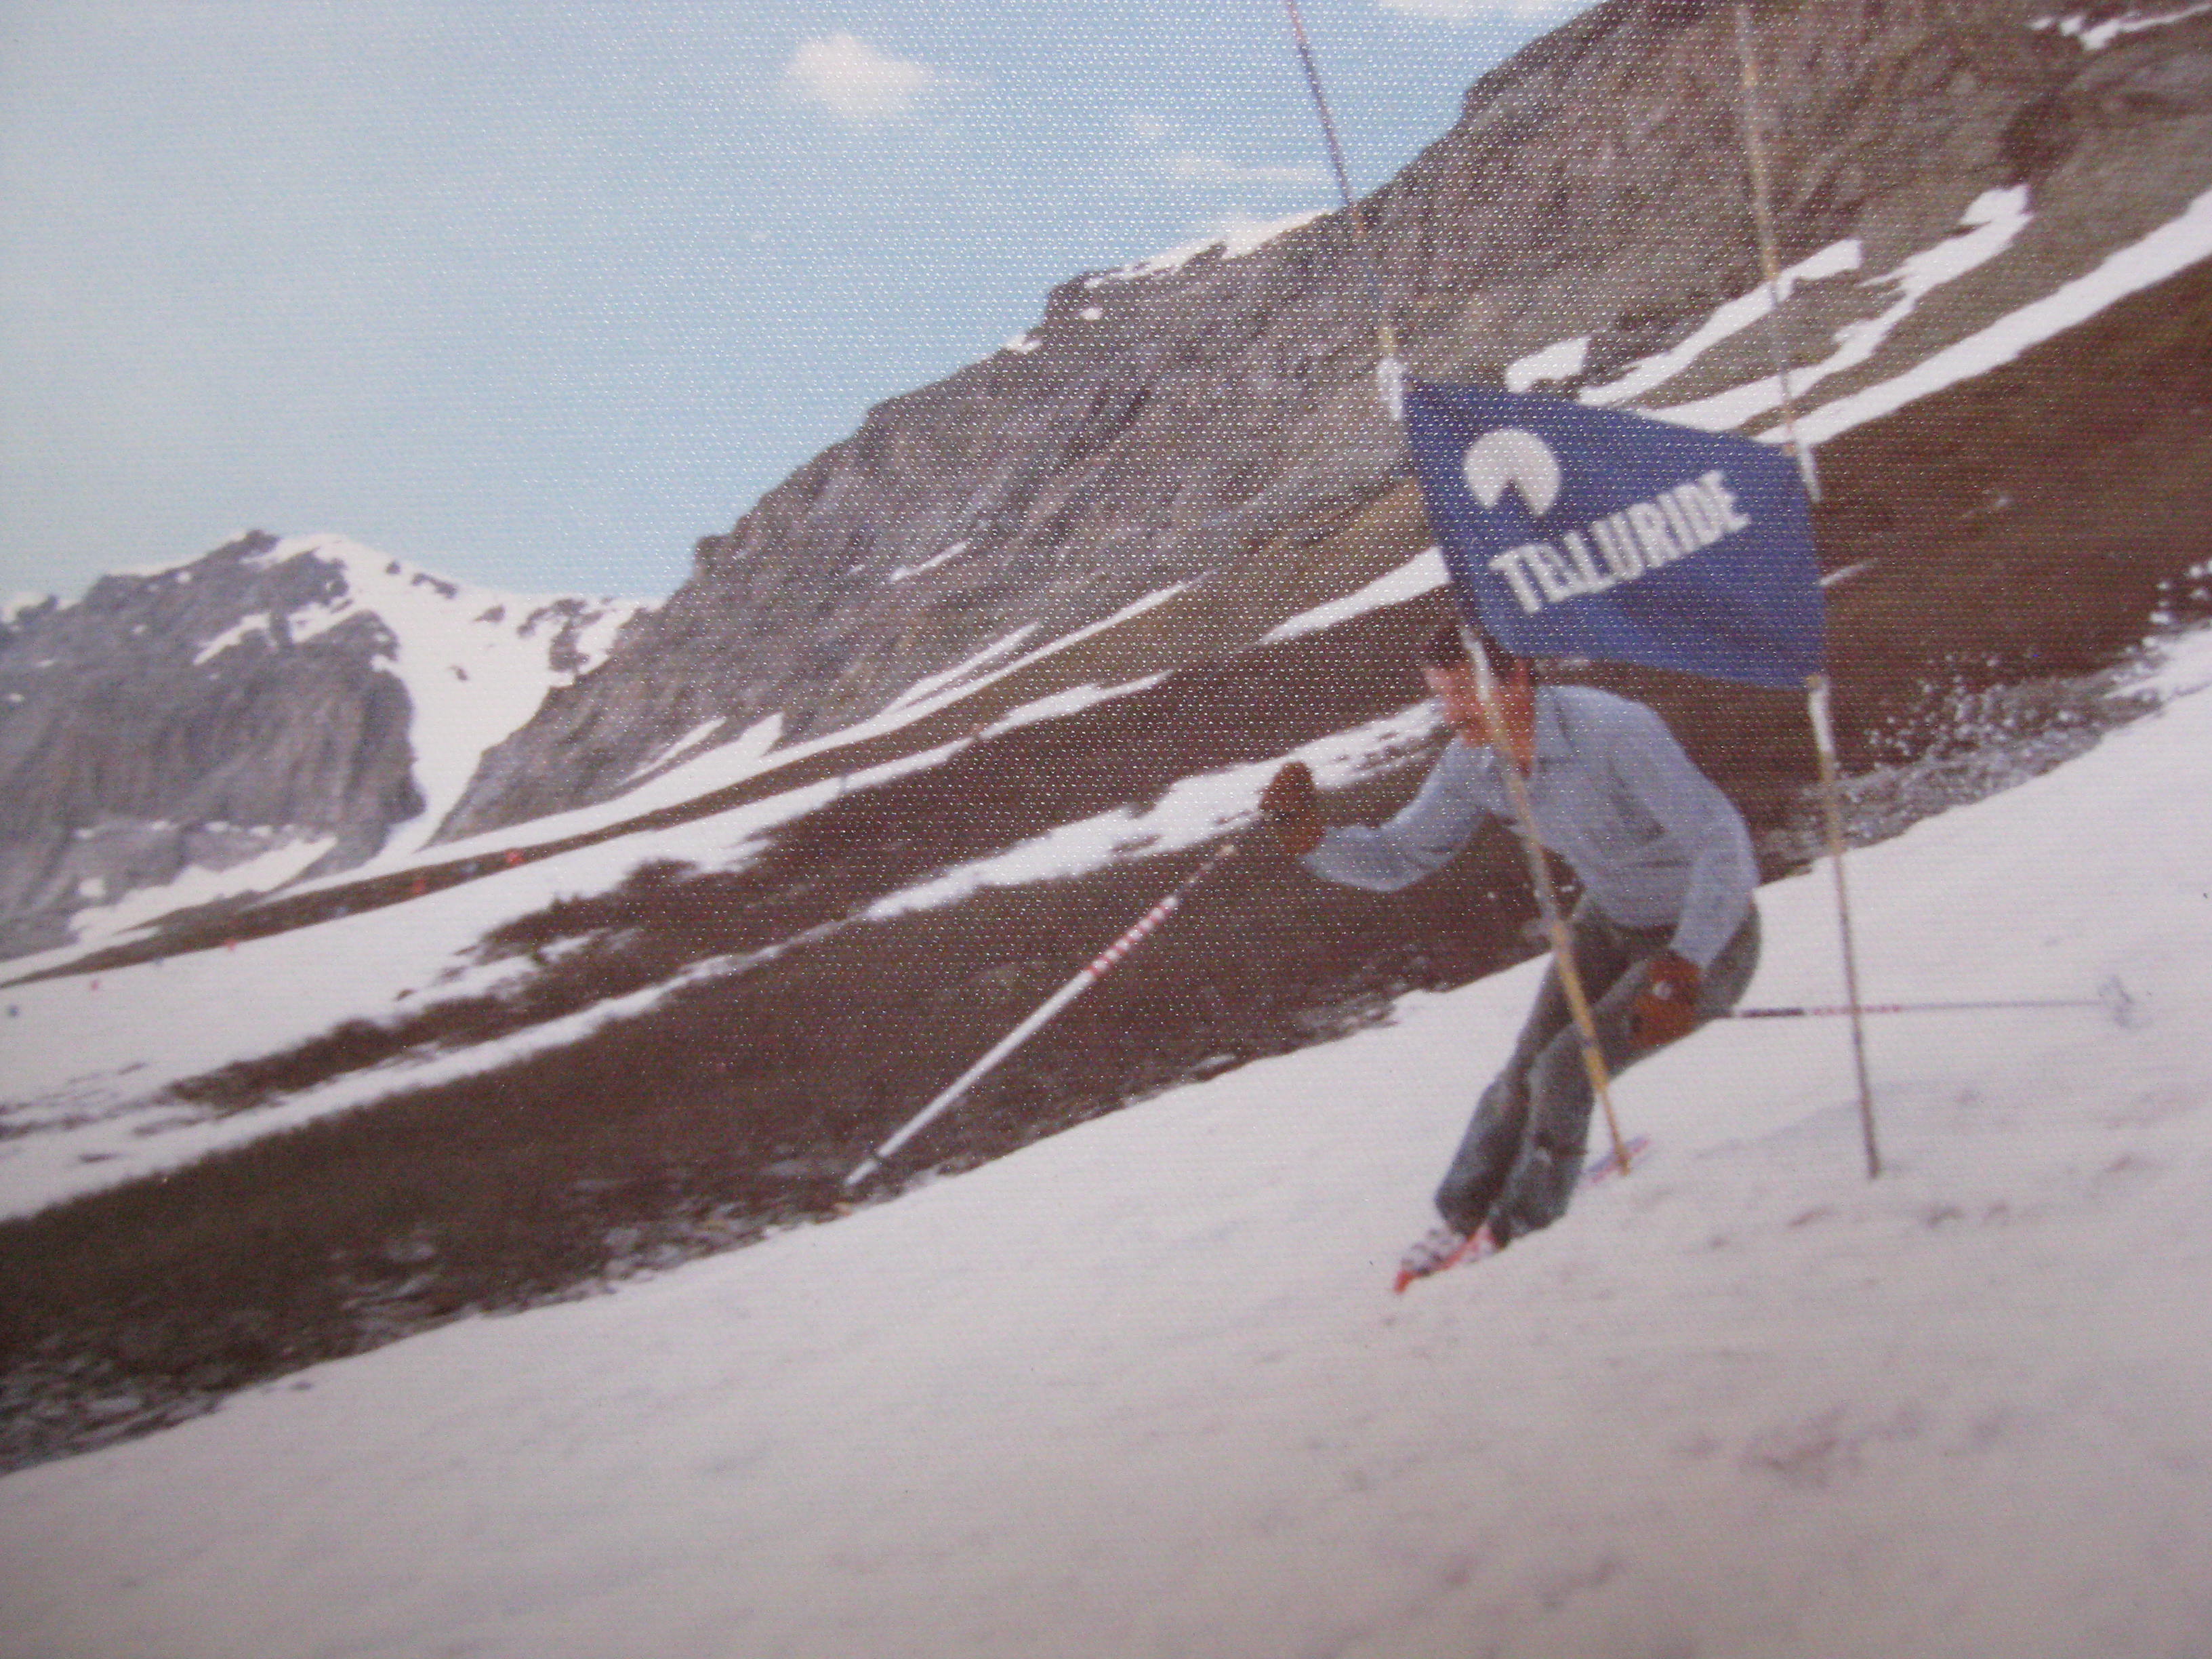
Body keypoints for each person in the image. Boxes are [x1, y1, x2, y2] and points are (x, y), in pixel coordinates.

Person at [1261, 620, 1761, 1278]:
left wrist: (1687, 963)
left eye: (1464, 691)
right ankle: (1463, 1217)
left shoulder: (1614, 732)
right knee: (1526, 1070)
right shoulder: (1474, 760)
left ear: (1518, 675)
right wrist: (1311, 840)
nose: (1452, 713)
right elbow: (1400, 854)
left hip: (1707, 939)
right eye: (1440, 696)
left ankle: (1523, 1228)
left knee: (1565, 1070)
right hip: (1610, 923)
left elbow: (1721, 841)